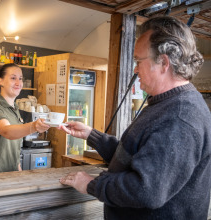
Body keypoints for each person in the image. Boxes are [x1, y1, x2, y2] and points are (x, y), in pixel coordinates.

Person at [59, 16, 211, 220]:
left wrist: (91, 184)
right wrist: (92, 136)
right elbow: (138, 158)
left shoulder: (179, 117)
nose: (135, 69)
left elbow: (146, 189)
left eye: (139, 61)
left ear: (163, 62)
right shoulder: (167, 104)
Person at [0, 63, 50, 173]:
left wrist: (19, 171)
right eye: (13, 78)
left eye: (21, 78)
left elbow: (15, 149)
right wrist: (34, 126)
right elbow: (7, 131)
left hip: (11, 172)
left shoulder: (15, 109)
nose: (18, 83)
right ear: (1, 81)